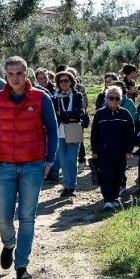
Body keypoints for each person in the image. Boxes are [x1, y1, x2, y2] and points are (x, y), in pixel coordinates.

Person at [0, 56, 58, 279]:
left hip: (33, 165)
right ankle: (8, 244)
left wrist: (49, 161)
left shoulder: (41, 97)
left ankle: (22, 264)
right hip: (5, 165)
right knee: (3, 216)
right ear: (5, 76)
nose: (15, 78)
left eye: (19, 73)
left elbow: (53, 131)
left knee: (27, 217)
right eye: (11, 74)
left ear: (27, 74)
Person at [91, 85, 135, 210]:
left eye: (117, 98)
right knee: (106, 175)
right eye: (111, 98)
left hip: (120, 152)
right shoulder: (99, 114)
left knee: (118, 175)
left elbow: (131, 133)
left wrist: (129, 150)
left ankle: (115, 198)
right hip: (103, 152)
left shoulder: (125, 114)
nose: (114, 101)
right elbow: (94, 133)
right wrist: (94, 151)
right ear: (106, 98)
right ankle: (107, 200)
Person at [52, 70, 87, 198]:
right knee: (63, 160)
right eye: (61, 81)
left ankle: (71, 186)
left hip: (73, 129)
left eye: (66, 81)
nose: (64, 83)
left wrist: (65, 115)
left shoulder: (77, 95)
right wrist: (66, 116)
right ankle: (66, 186)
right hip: (60, 131)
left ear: (71, 82)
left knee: (71, 159)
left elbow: (78, 112)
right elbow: (55, 115)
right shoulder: (55, 97)